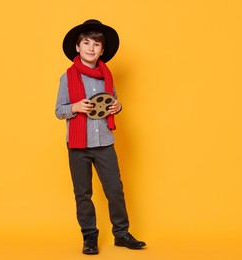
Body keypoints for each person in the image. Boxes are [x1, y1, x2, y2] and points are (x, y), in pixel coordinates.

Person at [55, 19, 146, 255]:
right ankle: (89, 237)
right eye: (86, 43)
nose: (91, 48)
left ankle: (122, 233)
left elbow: (112, 102)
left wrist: (118, 106)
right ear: (78, 47)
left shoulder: (107, 76)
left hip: (104, 142)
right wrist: (74, 107)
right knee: (83, 192)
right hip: (78, 144)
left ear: (102, 50)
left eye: (96, 44)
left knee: (115, 189)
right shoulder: (67, 78)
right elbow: (59, 110)